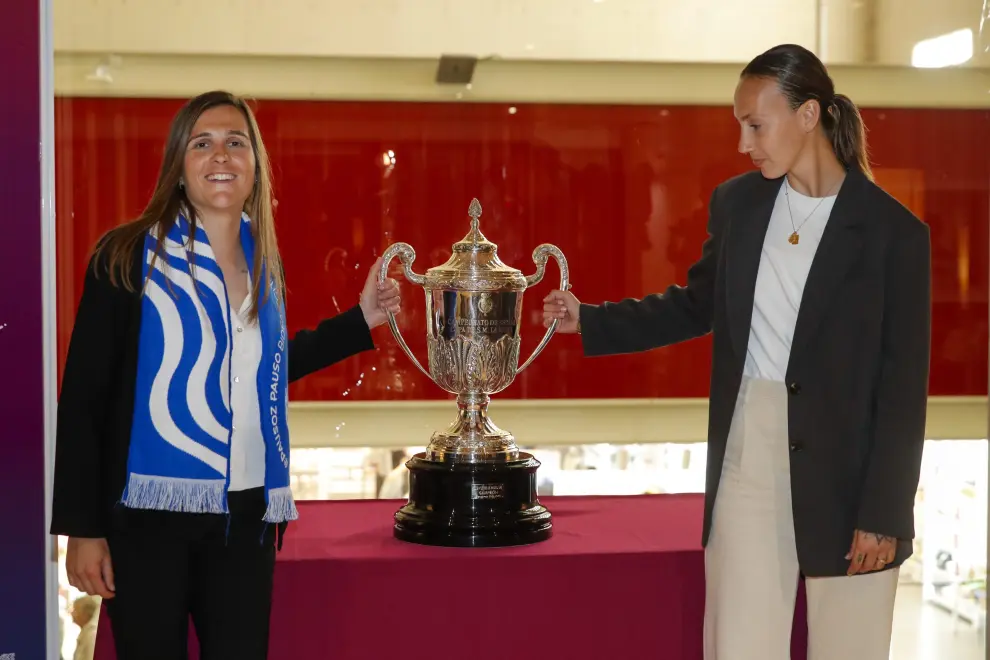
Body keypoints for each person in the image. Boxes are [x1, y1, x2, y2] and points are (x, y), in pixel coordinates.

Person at [543, 44, 931, 660]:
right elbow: (697, 305)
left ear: (808, 115)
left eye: (755, 124)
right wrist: (589, 322)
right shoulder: (739, 204)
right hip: (747, 449)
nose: (744, 143)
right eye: (740, 126)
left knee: (849, 647)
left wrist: (885, 511)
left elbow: (903, 386)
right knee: (739, 644)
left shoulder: (896, 235)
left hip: (851, 468)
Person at [50, 90, 402, 660]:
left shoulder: (262, 260)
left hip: (246, 517)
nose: (221, 155)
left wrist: (361, 321)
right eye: (203, 142)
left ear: (255, 166)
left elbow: (265, 371)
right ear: (179, 166)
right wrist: (82, 530)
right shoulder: (124, 256)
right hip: (146, 518)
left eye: (236, 143)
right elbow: (85, 400)